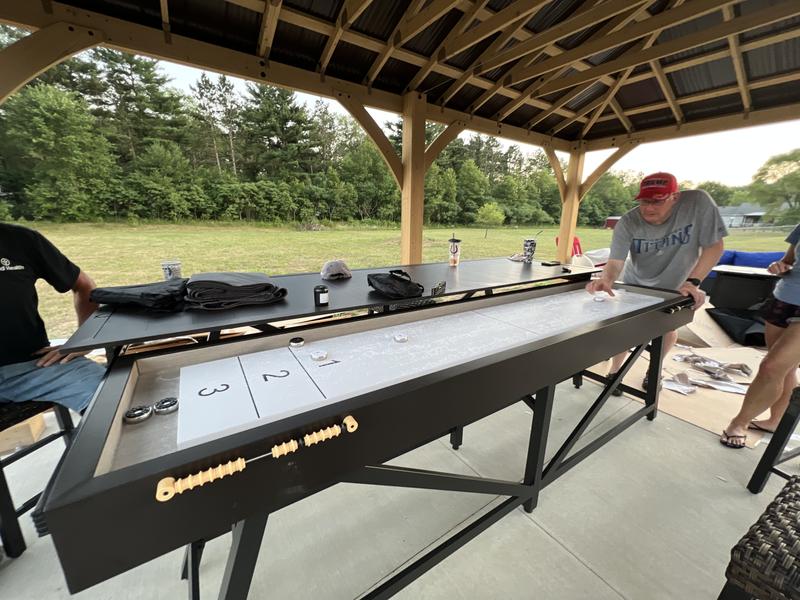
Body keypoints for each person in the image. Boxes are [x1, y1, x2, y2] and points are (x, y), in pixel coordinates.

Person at [586, 172, 727, 392]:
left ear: (674, 196)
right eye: (644, 201)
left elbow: (714, 246)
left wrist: (693, 283)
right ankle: (615, 372)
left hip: (677, 286)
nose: (649, 208)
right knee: (625, 328)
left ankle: (654, 369)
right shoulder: (628, 221)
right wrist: (606, 279)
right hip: (636, 282)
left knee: (667, 329)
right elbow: (615, 260)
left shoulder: (698, 202)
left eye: (657, 201)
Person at [0, 223, 104, 413]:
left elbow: (84, 286)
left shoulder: (20, 239)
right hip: (35, 367)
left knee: (114, 399)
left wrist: (84, 340)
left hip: (32, 365)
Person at [721, 225, 800, 448]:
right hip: (785, 297)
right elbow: (789, 260)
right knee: (786, 369)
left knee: (771, 367)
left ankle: (739, 423)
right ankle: (775, 421)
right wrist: (781, 266)